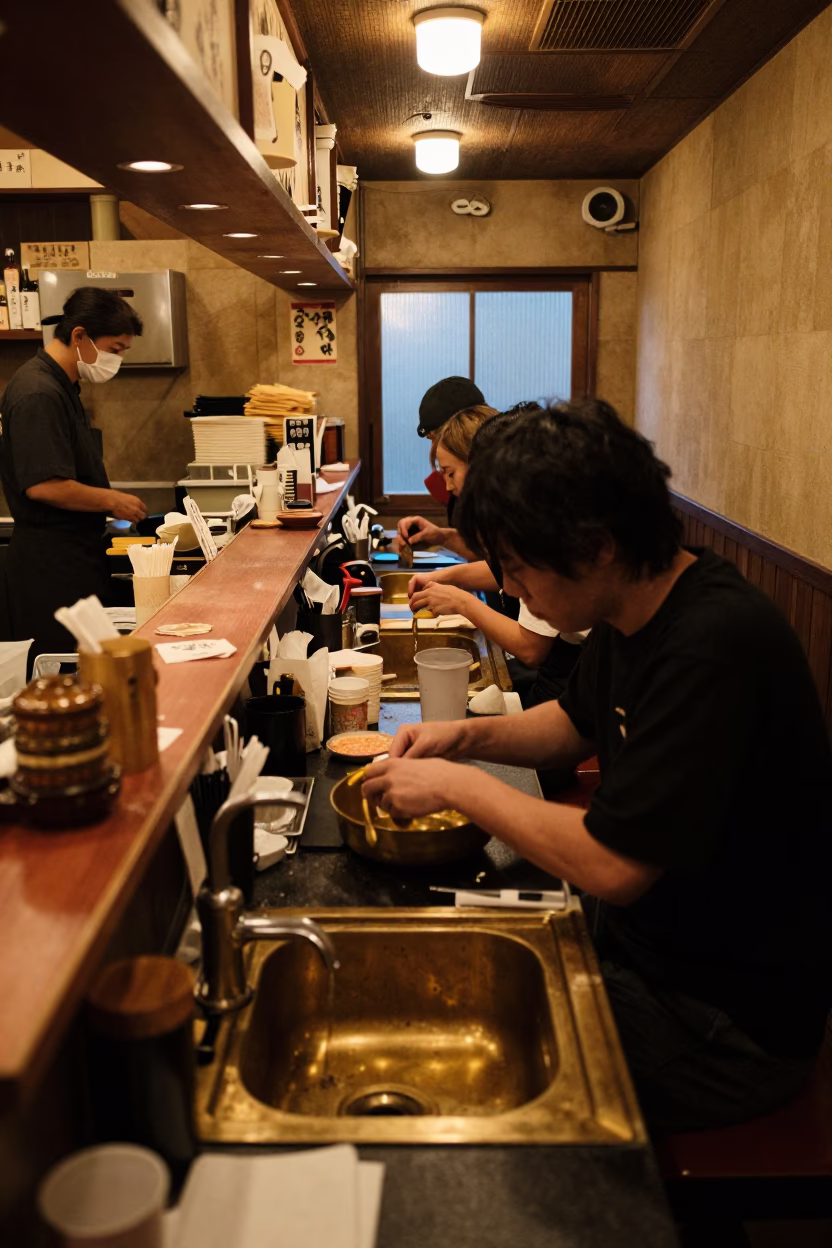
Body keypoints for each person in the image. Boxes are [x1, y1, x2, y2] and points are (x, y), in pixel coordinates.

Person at [364, 399, 832, 1135]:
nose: (511, 589)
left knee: (464, 1069)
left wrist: (458, 787)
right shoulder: (631, 609)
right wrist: (459, 740)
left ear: (596, 545)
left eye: (518, 567)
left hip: (724, 1023)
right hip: (650, 951)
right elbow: (568, 727)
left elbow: (615, 865)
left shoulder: (714, 644)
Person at [0, 287, 147, 668]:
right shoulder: (37, 392)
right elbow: (44, 484)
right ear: (80, 336)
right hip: (49, 569)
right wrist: (113, 500)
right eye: (114, 349)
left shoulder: (64, 386)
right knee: (62, 680)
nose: (115, 361)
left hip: (75, 558)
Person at [409, 404, 587, 717]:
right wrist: (447, 578)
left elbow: (531, 648)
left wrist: (463, 603)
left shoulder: (540, 524)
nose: (514, 591)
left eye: (450, 473)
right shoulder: (532, 518)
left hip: (571, 682)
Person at [395, 376, 491, 558]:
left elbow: (510, 571)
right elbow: (487, 555)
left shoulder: (510, 490)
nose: (447, 485)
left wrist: (447, 578)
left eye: (434, 437)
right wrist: (441, 536)